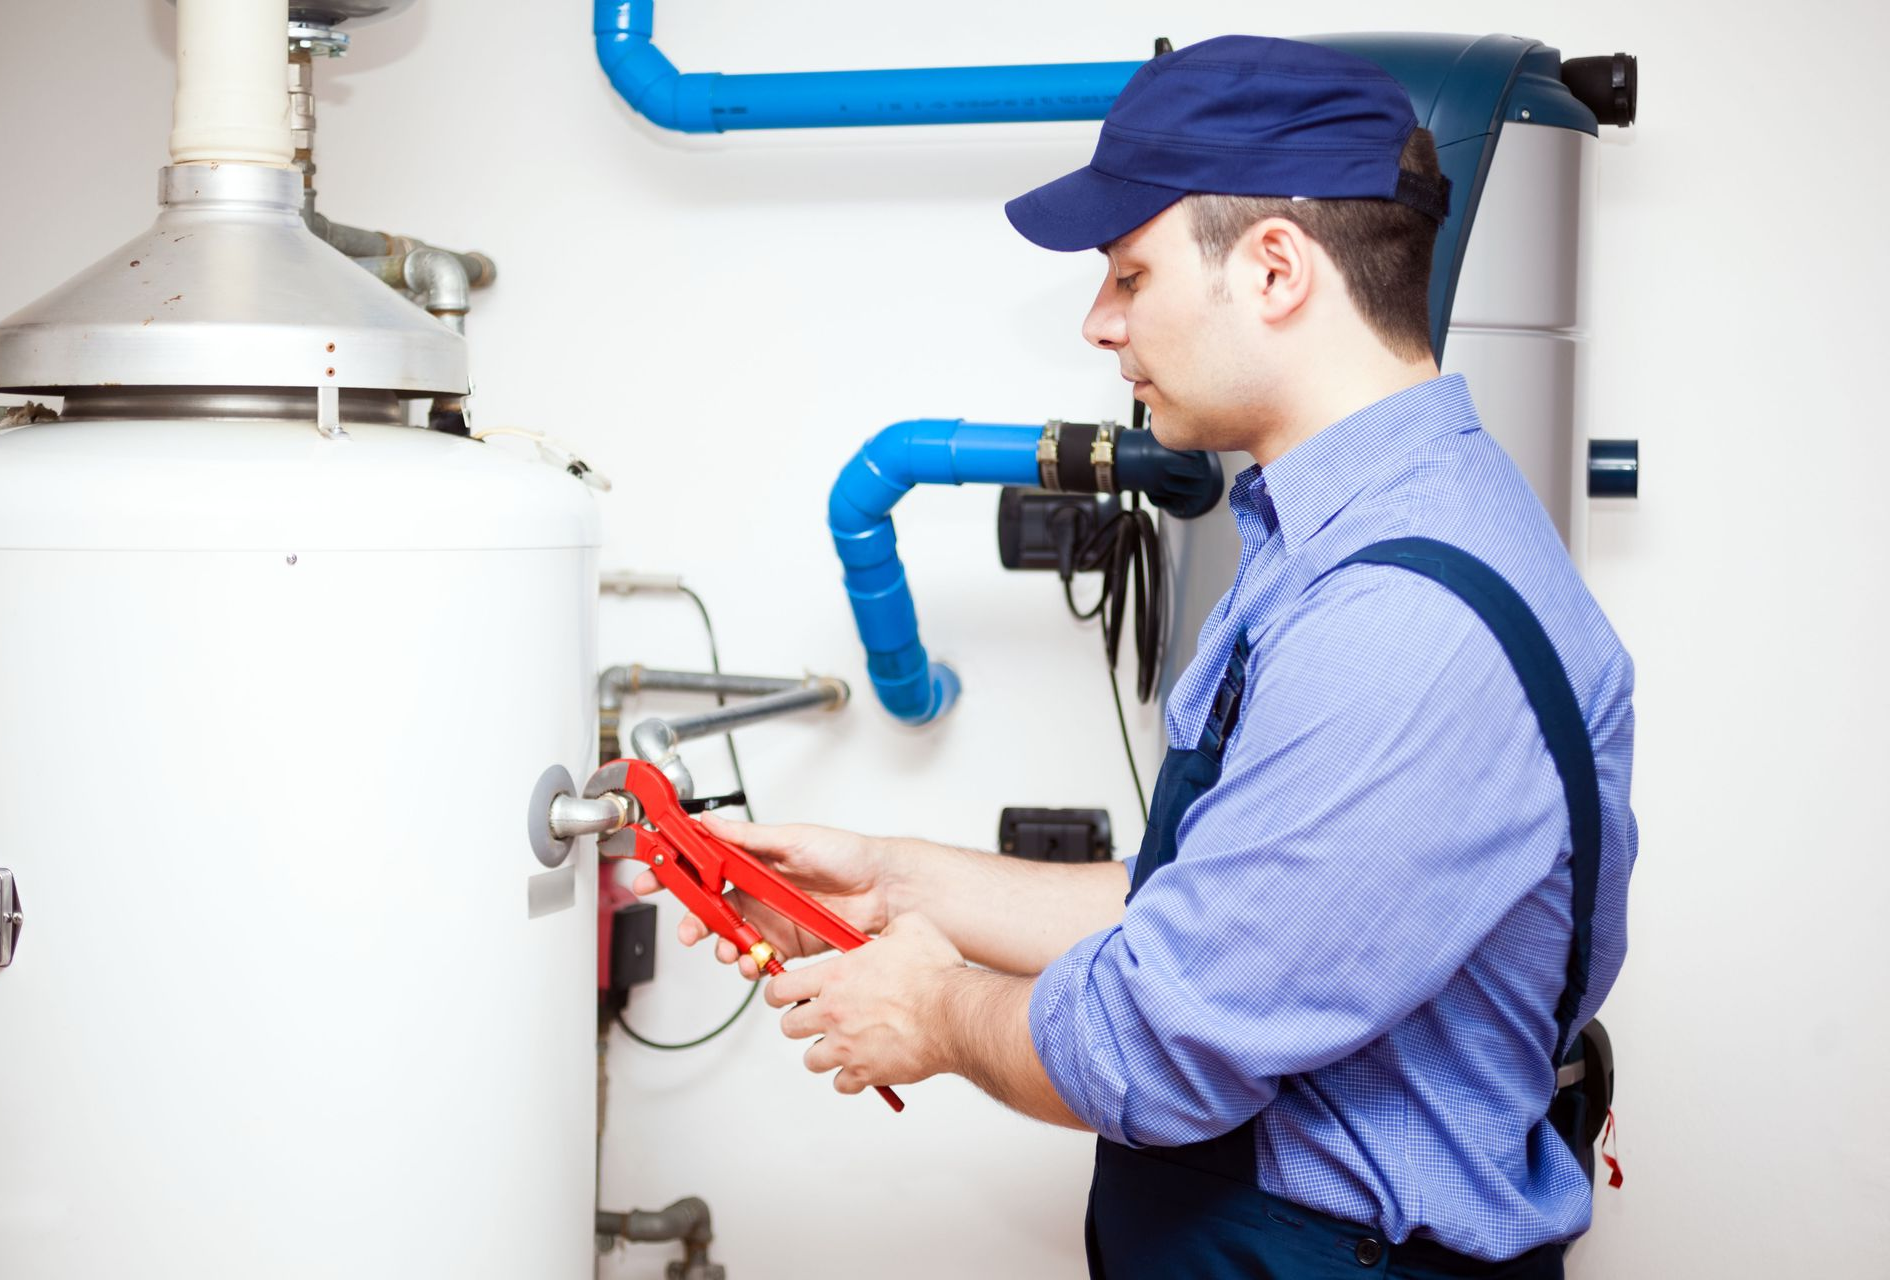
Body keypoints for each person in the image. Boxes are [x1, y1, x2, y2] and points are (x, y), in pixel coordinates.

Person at [637, 34, 1637, 1279]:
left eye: (1129, 273)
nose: (1099, 322)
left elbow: (1157, 1045)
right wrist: (891, 883)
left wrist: (935, 1009)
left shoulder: (1401, 622)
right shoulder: (1326, 541)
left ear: (1276, 270)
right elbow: (1215, 909)